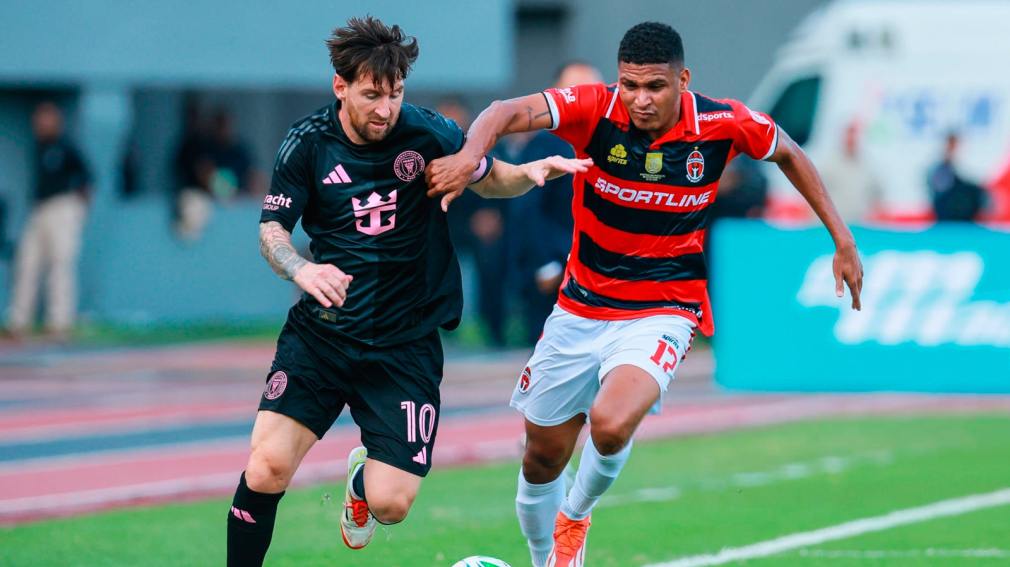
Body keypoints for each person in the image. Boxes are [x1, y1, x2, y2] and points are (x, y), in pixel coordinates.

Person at [426, 21, 864, 567]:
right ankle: (547, 559)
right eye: (630, 85)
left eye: (655, 86)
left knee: (610, 424)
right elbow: (503, 112)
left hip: (663, 308)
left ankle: (576, 515)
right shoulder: (595, 108)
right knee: (541, 459)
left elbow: (789, 152)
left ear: (683, 80)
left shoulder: (723, 122)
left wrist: (842, 239)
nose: (640, 99)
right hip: (580, 307)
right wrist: (470, 155)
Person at [227, 16, 590, 567]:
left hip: (405, 344)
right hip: (323, 336)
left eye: (394, 94)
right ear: (340, 86)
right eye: (372, 95)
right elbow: (272, 231)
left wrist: (532, 172)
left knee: (391, 504)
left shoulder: (426, 132)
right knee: (267, 467)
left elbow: (489, 176)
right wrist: (301, 270)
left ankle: (361, 486)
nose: (385, 109)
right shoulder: (307, 143)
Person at [511, 61, 603, 345]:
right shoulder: (545, 144)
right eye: (575, 90)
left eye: (592, 90)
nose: (583, 98)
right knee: (548, 350)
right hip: (556, 267)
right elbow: (527, 210)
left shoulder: (609, 140)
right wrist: (545, 264)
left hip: (598, 271)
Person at [6, 102, 91, 341]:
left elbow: (88, 178)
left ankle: (59, 322)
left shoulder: (66, 146)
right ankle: (18, 321)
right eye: (38, 119)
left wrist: (78, 212)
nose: (41, 124)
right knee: (27, 262)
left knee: (60, 263)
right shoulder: (40, 147)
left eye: (46, 119)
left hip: (62, 208)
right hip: (39, 208)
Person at [816, 120, 881, 222]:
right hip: (830, 226)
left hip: (859, 226)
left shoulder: (869, 167)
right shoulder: (827, 165)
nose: (852, 137)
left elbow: (878, 199)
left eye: (855, 133)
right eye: (849, 132)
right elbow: (813, 196)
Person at [928, 132, 987, 221]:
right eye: (952, 144)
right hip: (946, 204)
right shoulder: (941, 166)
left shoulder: (960, 160)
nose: (954, 147)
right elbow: (940, 187)